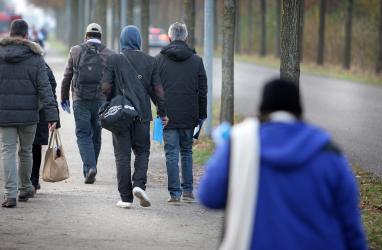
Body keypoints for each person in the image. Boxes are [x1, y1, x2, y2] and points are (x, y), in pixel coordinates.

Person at [198, 79, 367, 250]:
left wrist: (222, 152)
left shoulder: (240, 143)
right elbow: (350, 224)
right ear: (299, 110)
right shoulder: (328, 152)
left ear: (262, 110)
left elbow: (209, 197)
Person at [101, 25, 167, 208]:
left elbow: (105, 87)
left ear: (122, 40)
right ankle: (139, 185)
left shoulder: (113, 59)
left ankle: (126, 198)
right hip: (142, 116)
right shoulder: (150, 61)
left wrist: (109, 102)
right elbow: (158, 91)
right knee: (142, 152)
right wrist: (162, 112)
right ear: (139, 40)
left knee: (122, 156)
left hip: (121, 115)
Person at [0, 19, 59, 208]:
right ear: (27, 35)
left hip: (5, 114)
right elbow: (45, 88)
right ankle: (25, 187)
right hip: (29, 115)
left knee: (7, 151)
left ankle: (10, 194)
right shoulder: (35, 57)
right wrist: (52, 116)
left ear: (10, 34)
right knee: (25, 151)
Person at [155, 22, 207, 203]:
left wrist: (160, 113)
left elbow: (155, 90)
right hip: (189, 114)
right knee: (186, 152)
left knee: (171, 153)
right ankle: (188, 191)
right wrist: (202, 115)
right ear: (186, 38)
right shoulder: (197, 61)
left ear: (169, 37)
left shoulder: (159, 60)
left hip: (167, 116)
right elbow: (203, 91)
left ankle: (174, 194)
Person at [61, 23, 115, 184]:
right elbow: (113, 80)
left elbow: (67, 76)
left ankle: (89, 168)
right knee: (96, 134)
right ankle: (92, 167)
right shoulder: (109, 53)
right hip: (100, 100)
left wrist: (64, 98)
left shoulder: (75, 50)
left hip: (80, 99)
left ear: (86, 35)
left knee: (83, 134)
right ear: (100, 36)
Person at [30, 63, 60, 191]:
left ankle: (22, 181)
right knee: (35, 147)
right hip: (40, 112)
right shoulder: (42, 66)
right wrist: (54, 117)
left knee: (18, 148)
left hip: (15, 113)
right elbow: (51, 93)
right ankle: (34, 180)